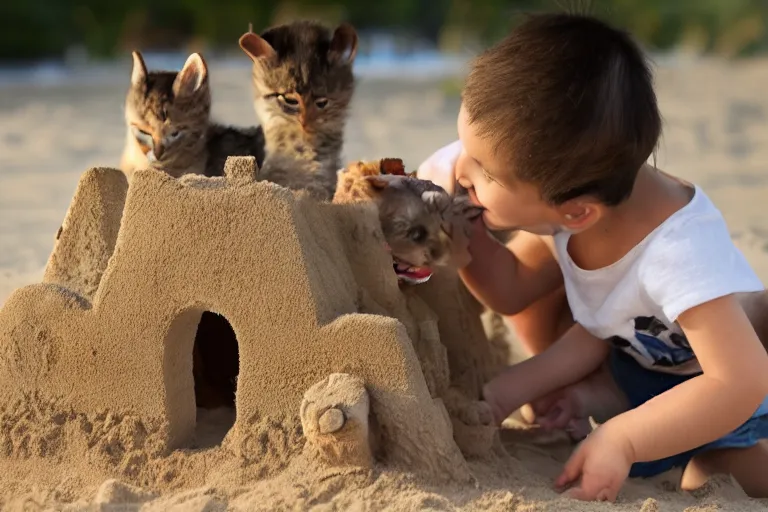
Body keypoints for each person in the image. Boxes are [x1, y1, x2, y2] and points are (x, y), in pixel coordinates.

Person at [417, 12, 768, 501]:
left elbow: (741, 380)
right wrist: (460, 232)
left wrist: (622, 438)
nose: (461, 170)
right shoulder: (574, 205)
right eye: (465, 149)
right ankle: (599, 399)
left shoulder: (676, 251)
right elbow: (514, 288)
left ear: (576, 211)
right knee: (583, 353)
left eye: (483, 171)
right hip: (641, 361)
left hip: (729, 386)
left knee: (708, 475)